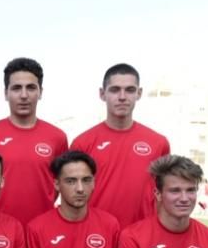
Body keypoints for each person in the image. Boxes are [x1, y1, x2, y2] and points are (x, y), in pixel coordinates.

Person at [70, 64, 170, 228]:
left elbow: (164, 193)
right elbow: (72, 195)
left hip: (142, 235)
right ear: (102, 94)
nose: (122, 96)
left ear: (139, 93)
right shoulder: (82, 143)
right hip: (94, 234)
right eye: (115, 90)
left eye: (130, 90)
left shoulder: (159, 143)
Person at [0, 57, 68, 225]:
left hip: (42, 230)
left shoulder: (57, 137)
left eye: (31, 88)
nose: (24, 95)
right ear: (6, 93)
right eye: (16, 88)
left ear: (40, 92)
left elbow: (61, 185)